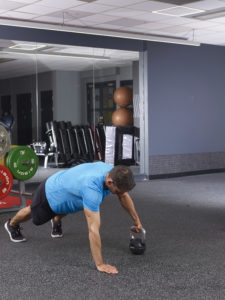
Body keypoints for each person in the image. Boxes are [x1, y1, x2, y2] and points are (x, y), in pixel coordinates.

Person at [4, 162, 143, 274]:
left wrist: (136, 220)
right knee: (34, 216)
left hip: (68, 189)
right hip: (50, 192)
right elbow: (93, 229)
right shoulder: (92, 189)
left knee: (73, 204)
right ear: (110, 182)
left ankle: (57, 219)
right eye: (118, 190)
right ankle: (12, 224)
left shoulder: (113, 171)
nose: (120, 194)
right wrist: (100, 264)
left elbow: (123, 195)